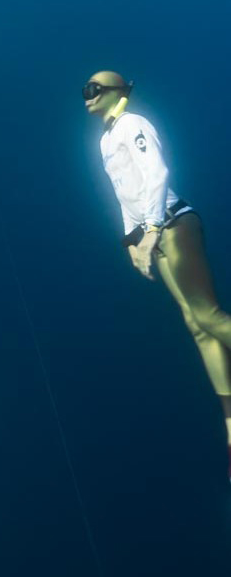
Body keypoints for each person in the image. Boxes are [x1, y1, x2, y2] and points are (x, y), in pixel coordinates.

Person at [84, 71, 231, 478]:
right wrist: (130, 241)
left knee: (207, 316)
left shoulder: (133, 124)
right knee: (196, 326)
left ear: (117, 92)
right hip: (153, 234)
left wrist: (150, 230)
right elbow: (123, 193)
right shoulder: (105, 141)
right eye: (85, 91)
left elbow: (158, 173)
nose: (87, 96)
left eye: (94, 89)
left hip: (174, 224)